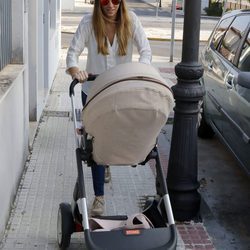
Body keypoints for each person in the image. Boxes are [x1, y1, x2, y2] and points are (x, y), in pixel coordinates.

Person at [66, 0, 152, 216]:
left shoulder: (131, 21)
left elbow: (146, 51)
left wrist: (139, 70)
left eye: (115, 0)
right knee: (96, 144)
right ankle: (99, 198)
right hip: (93, 92)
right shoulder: (88, 23)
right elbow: (72, 54)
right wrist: (77, 71)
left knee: (116, 137)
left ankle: (106, 162)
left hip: (122, 91)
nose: (110, 4)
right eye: (105, 0)